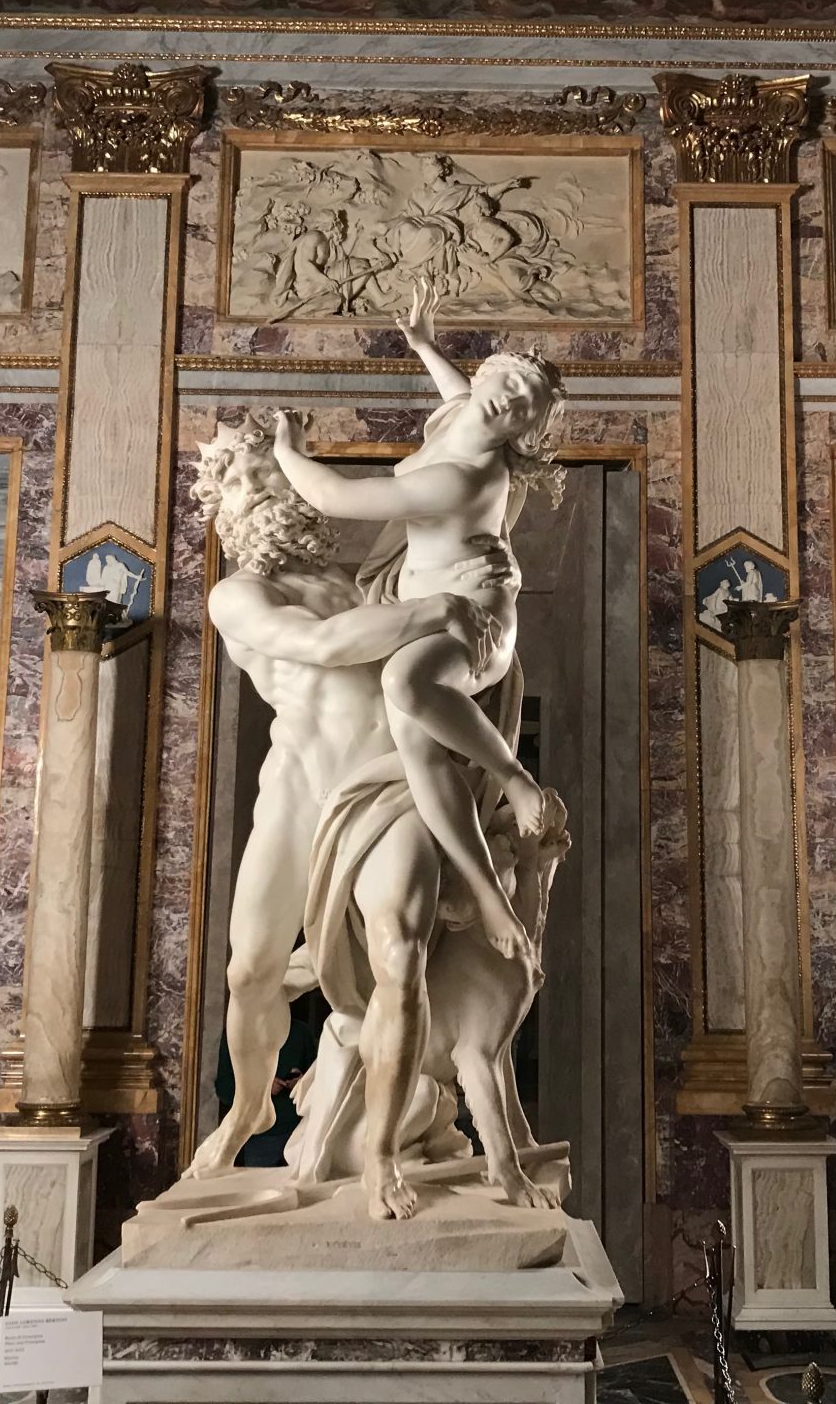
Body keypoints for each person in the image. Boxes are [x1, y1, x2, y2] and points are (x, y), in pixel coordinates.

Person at [184, 416, 521, 1217]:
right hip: (301, 790)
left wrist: (487, 582)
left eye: (269, 473)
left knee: (400, 951)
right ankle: (248, 1109)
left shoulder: (370, 578)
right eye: (241, 482)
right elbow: (329, 646)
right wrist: (439, 607)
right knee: (250, 971)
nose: (260, 490)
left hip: (387, 785)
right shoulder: (239, 595)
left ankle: (380, 1157)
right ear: (223, 509)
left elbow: (459, 498)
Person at [269, 282, 565, 968]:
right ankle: (488, 895)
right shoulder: (461, 416)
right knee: (416, 745)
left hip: (473, 623)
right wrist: (426, 345)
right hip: (426, 608)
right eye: (506, 382)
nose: (508, 400)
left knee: (405, 683)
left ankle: (514, 777)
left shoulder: (463, 478)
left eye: (524, 405)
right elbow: (459, 396)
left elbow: (334, 496)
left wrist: (287, 451)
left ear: (524, 431)